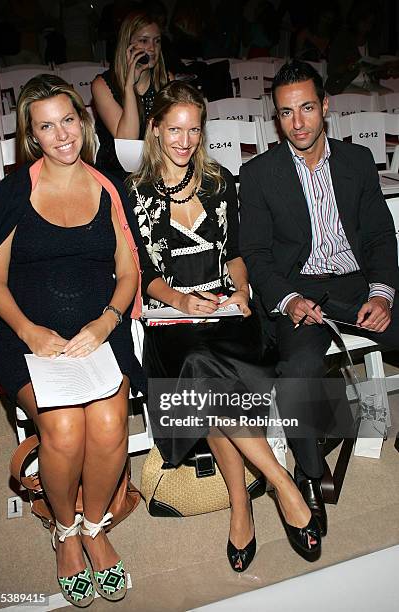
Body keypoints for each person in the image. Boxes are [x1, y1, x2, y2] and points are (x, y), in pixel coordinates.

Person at [127, 80, 321, 572]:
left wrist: (239, 293)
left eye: (194, 129)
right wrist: (180, 300)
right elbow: (145, 276)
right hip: (174, 319)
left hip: (228, 315)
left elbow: (235, 255)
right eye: (174, 129)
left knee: (206, 374)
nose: (185, 140)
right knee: (196, 364)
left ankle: (242, 505)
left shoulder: (219, 180)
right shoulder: (134, 192)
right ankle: (279, 483)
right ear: (155, 130)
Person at [0, 74, 148, 607]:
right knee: (62, 428)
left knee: (106, 423)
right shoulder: (14, 193)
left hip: (101, 333)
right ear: (31, 136)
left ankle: (95, 525)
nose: (62, 135)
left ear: (82, 120)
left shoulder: (108, 187)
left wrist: (105, 323)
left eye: (68, 120)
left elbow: (129, 274)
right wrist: (31, 331)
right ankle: (64, 531)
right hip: (29, 338)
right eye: (46, 126)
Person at [239, 60, 399, 538]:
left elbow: (378, 237)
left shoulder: (355, 161)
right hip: (301, 291)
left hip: (357, 282)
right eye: (286, 113)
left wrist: (382, 293)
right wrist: (287, 299)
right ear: (276, 117)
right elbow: (258, 255)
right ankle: (307, 477)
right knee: (299, 374)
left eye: (307, 108)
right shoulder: (260, 172)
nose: (299, 122)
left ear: (325, 106)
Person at [91, 10, 171, 176]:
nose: (152, 48)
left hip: (158, 169)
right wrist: (129, 87)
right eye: (143, 41)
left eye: (157, 41)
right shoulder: (102, 85)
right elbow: (127, 143)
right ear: (126, 45)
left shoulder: (166, 80)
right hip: (118, 173)